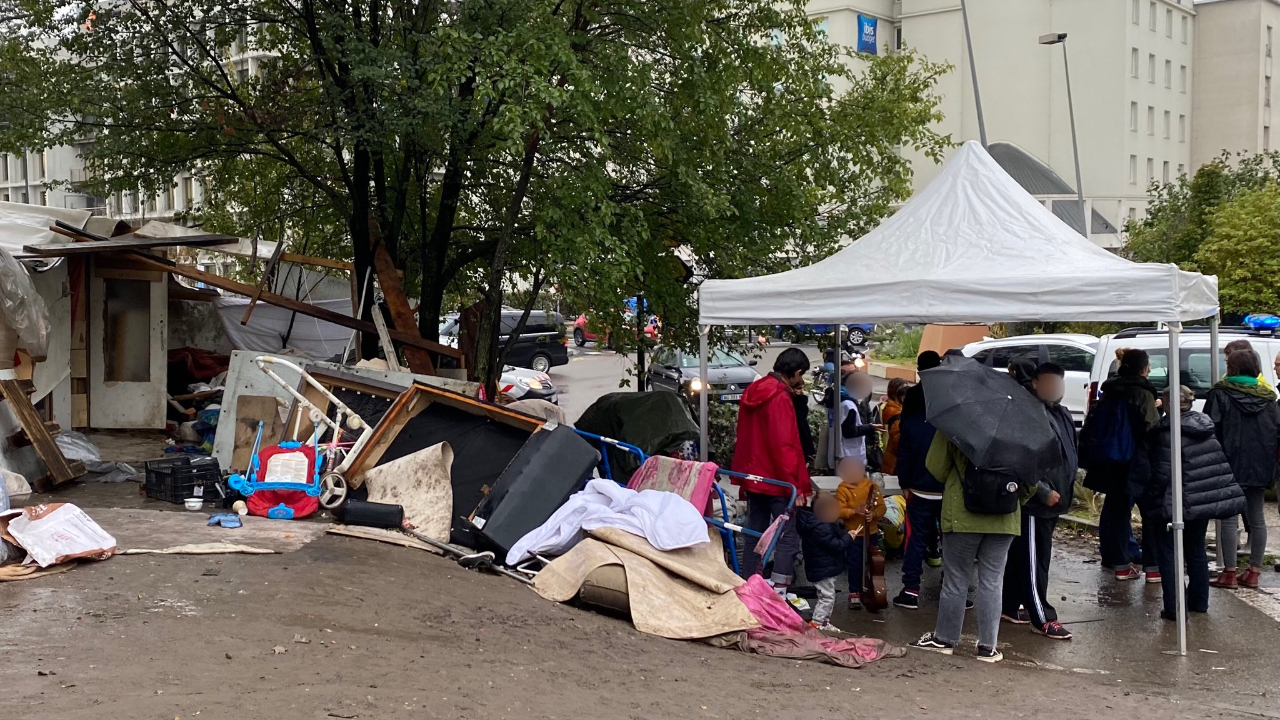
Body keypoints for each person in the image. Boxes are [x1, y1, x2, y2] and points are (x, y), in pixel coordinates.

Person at [908, 429, 1024, 663]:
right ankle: (988, 648)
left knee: (956, 579)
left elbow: (936, 467)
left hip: (962, 514)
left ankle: (945, 639)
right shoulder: (1018, 428)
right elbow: (1030, 480)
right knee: (992, 581)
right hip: (1004, 518)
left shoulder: (954, 424)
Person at [1144, 385, 1246, 619]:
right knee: (1196, 550)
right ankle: (1199, 602)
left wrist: (1150, 500)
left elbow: (1162, 474)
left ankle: (1175, 608)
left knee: (1169, 554)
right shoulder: (1204, 426)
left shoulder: (1167, 432)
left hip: (1172, 502)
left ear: (1168, 404)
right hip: (1200, 502)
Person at [1001, 363, 1076, 640]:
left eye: (1059, 382)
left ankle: (1008, 605)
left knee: (1024, 557)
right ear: (1035, 383)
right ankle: (1042, 617)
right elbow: (1020, 459)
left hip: (1057, 500)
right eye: (1049, 382)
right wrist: (1042, 491)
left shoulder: (1062, 413)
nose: (1055, 388)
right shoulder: (1028, 414)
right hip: (1035, 502)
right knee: (1034, 560)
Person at [733, 347, 812, 588]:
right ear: (796, 372)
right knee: (787, 535)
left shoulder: (754, 390)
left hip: (755, 474)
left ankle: (748, 583)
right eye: (802, 375)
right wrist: (798, 486)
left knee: (755, 533)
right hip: (778, 480)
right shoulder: (779, 397)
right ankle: (780, 591)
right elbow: (785, 445)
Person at [1081, 348, 1161, 582]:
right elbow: (1151, 429)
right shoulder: (1142, 393)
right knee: (1151, 512)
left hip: (1111, 461)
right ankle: (1153, 567)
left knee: (1116, 511)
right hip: (1139, 462)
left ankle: (1119, 563)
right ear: (1145, 369)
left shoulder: (1110, 390)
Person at [1205, 349, 1280, 589]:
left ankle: (1229, 572)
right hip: (1261, 464)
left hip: (1228, 462)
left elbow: (1209, 427)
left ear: (1233, 367)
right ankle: (1254, 572)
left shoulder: (1220, 393)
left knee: (1228, 518)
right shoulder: (1269, 397)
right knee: (1257, 518)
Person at [894, 351, 946, 609]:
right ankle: (954, 590)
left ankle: (911, 589)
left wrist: (904, 482)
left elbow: (904, 448)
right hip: (949, 489)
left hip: (919, 486)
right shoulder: (953, 399)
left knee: (915, 538)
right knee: (953, 541)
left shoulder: (912, 401)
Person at [796, 492, 859, 630]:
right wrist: (849, 537)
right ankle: (818, 623)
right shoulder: (821, 527)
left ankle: (824, 622)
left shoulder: (817, 523)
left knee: (826, 595)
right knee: (826, 597)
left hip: (822, 566)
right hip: (823, 568)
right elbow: (836, 545)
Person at [835, 456, 887, 610]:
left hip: (871, 531)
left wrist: (874, 514)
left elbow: (881, 507)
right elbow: (839, 511)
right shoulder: (843, 489)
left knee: (874, 562)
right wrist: (853, 511)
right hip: (854, 533)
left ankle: (874, 586)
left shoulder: (872, 487)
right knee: (855, 562)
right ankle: (854, 592)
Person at [839, 370, 882, 465]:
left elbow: (868, 414)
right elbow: (849, 432)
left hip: (853, 451)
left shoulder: (856, 399)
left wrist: (872, 431)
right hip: (848, 453)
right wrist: (871, 427)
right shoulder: (848, 405)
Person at [880, 378, 907, 476]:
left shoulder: (895, 408)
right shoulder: (895, 412)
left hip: (891, 458)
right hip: (895, 464)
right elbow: (899, 442)